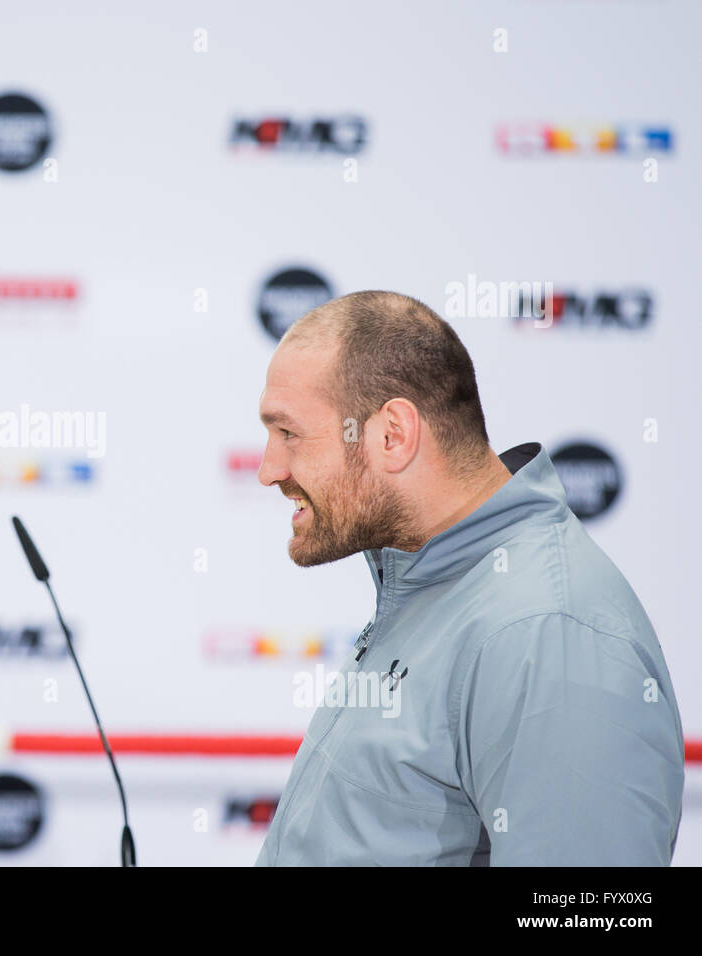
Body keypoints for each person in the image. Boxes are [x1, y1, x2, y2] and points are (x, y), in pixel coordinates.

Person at [253, 290, 684, 865]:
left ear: (392, 435)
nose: (267, 470)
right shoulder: (433, 582)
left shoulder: (548, 632)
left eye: (288, 433)